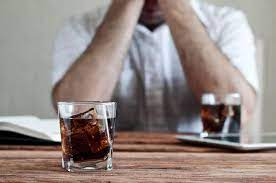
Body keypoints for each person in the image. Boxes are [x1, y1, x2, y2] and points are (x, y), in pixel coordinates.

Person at [52, 0, 258, 133]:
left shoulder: (227, 23)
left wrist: (175, 6)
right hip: (110, 170)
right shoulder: (80, 27)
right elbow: (76, 121)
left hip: (204, 170)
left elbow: (233, 117)